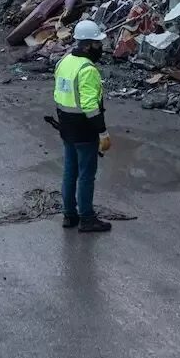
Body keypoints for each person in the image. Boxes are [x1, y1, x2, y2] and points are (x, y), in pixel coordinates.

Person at [53, 19, 113, 234]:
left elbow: (58, 94)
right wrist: (102, 132)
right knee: (86, 175)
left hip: (66, 126)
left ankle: (69, 215)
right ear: (87, 45)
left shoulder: (64, 61)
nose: (100, 48)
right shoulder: (88, 69)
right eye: (97, 44)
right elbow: (90, 106)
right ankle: (87, 218)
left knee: (70, 172)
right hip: (85, 129)